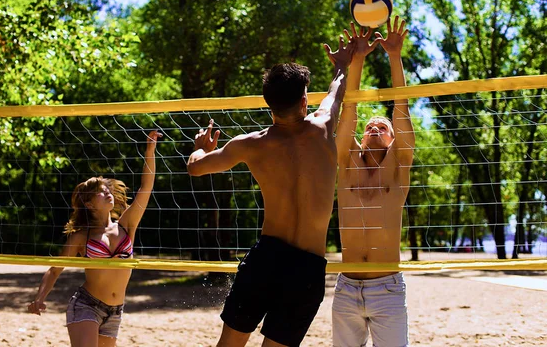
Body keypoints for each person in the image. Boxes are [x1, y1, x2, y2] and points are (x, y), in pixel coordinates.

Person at [186, 35, 355, 347]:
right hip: (306, 267)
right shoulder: (322, 127)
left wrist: (199, 149)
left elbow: (195, 168)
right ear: (304, 102)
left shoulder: (250, 144)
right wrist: (342, 63)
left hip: (267, 257)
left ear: (269, 104)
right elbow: (337, 91)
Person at [27, 130, 161, 347]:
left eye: (106, 188)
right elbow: (55, 269)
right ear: (89, 204)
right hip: (87, 305)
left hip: (116, 311)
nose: (107, 192)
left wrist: (149, 151)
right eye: (100, 191)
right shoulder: (82, 236)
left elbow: (146, 187)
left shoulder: (126, 225)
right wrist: (40, 298)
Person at [332, 17, 415, 347]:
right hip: (346, 287)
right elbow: (347, 111)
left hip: (387, 288)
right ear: (360, 139)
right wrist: (358, 60)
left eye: (383, 127)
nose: (375, 129)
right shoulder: (347, 165)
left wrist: (394, 56)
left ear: (394, 139)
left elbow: (401, 107)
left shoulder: (398, 169)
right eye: (369, 127)